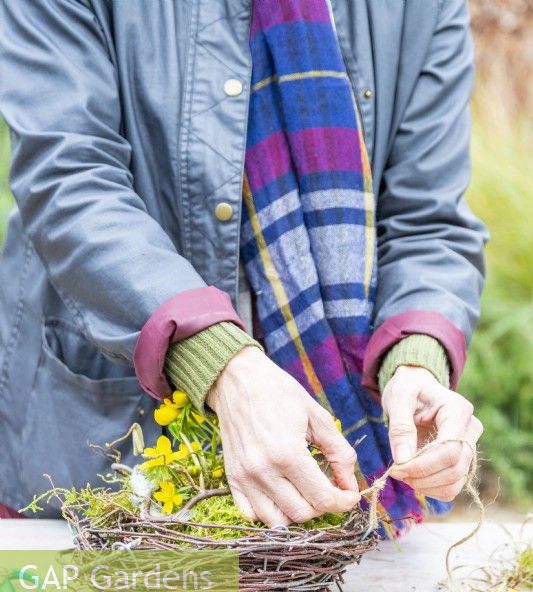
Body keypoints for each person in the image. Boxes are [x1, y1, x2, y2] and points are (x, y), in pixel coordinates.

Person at [0, 0, 486, 532]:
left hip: (344, 471)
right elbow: (69, 181)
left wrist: (414, 359)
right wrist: (222, 364)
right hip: (106, 444)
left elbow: (427, 219)